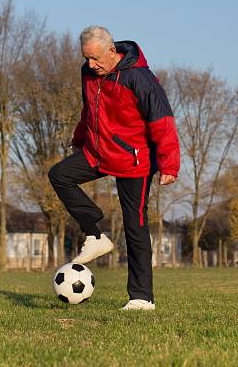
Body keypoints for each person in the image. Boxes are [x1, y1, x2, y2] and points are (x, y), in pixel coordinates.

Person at [48, 25, 180, 311]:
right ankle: (95, 234)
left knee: (135, 226)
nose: (91, 65)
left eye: (96, 58)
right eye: (86, 58)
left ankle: (142, 298)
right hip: (99, 151)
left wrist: (169, 163)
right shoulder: (89, 73)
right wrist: (80, 138)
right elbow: (90, 109)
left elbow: (162, 120)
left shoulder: (140, 78)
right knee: (59, 176)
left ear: (112, 51)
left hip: (134, 160)